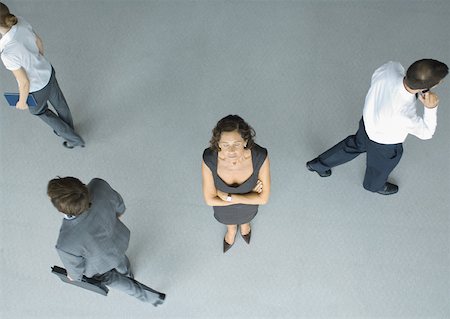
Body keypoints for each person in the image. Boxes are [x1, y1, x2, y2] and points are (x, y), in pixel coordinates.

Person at [306, 59, 448, 195]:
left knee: (352, 145)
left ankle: (318, 165)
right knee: (379, 168)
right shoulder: (404, 115)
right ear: (426, 88)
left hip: (367, 124)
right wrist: (431, 108)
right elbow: (426, 133)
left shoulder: (391, 67)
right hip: (384, 145)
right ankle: (373, 186)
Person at [47, 177, 165, 306]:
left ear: (61, 209)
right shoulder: (99, 185)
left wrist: (72, 277)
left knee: (109, 278)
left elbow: (76, 272)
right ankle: (128, 273)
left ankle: (151, 297)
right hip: (119, 240)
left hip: (100, 265)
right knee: (119, 258)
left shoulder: (66, 243)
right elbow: (119, 207)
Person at [0, 3, 84, 148]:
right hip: (48, 72)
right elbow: (39, 42)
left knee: (40, 111)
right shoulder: (20, 21)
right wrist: (38, 61)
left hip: (37, 88)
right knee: (60, 104)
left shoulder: (7, 53)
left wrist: (22, 101)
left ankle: (74, 139)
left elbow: (24, 82)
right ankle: (69, 129)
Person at [202, 115, 271, 253]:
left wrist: (227, 197)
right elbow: (209, 200)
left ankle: (245, 226)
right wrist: (250, 196)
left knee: (246, 218)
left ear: (245, 141)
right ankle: (231, 230)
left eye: (236, 144)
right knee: (230, 223)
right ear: (218, 143)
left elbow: (264, 199)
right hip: (238, 203)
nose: (231, 151)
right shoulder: (209, 158)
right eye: (225, 145)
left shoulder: (260, 156)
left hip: (229, 203)